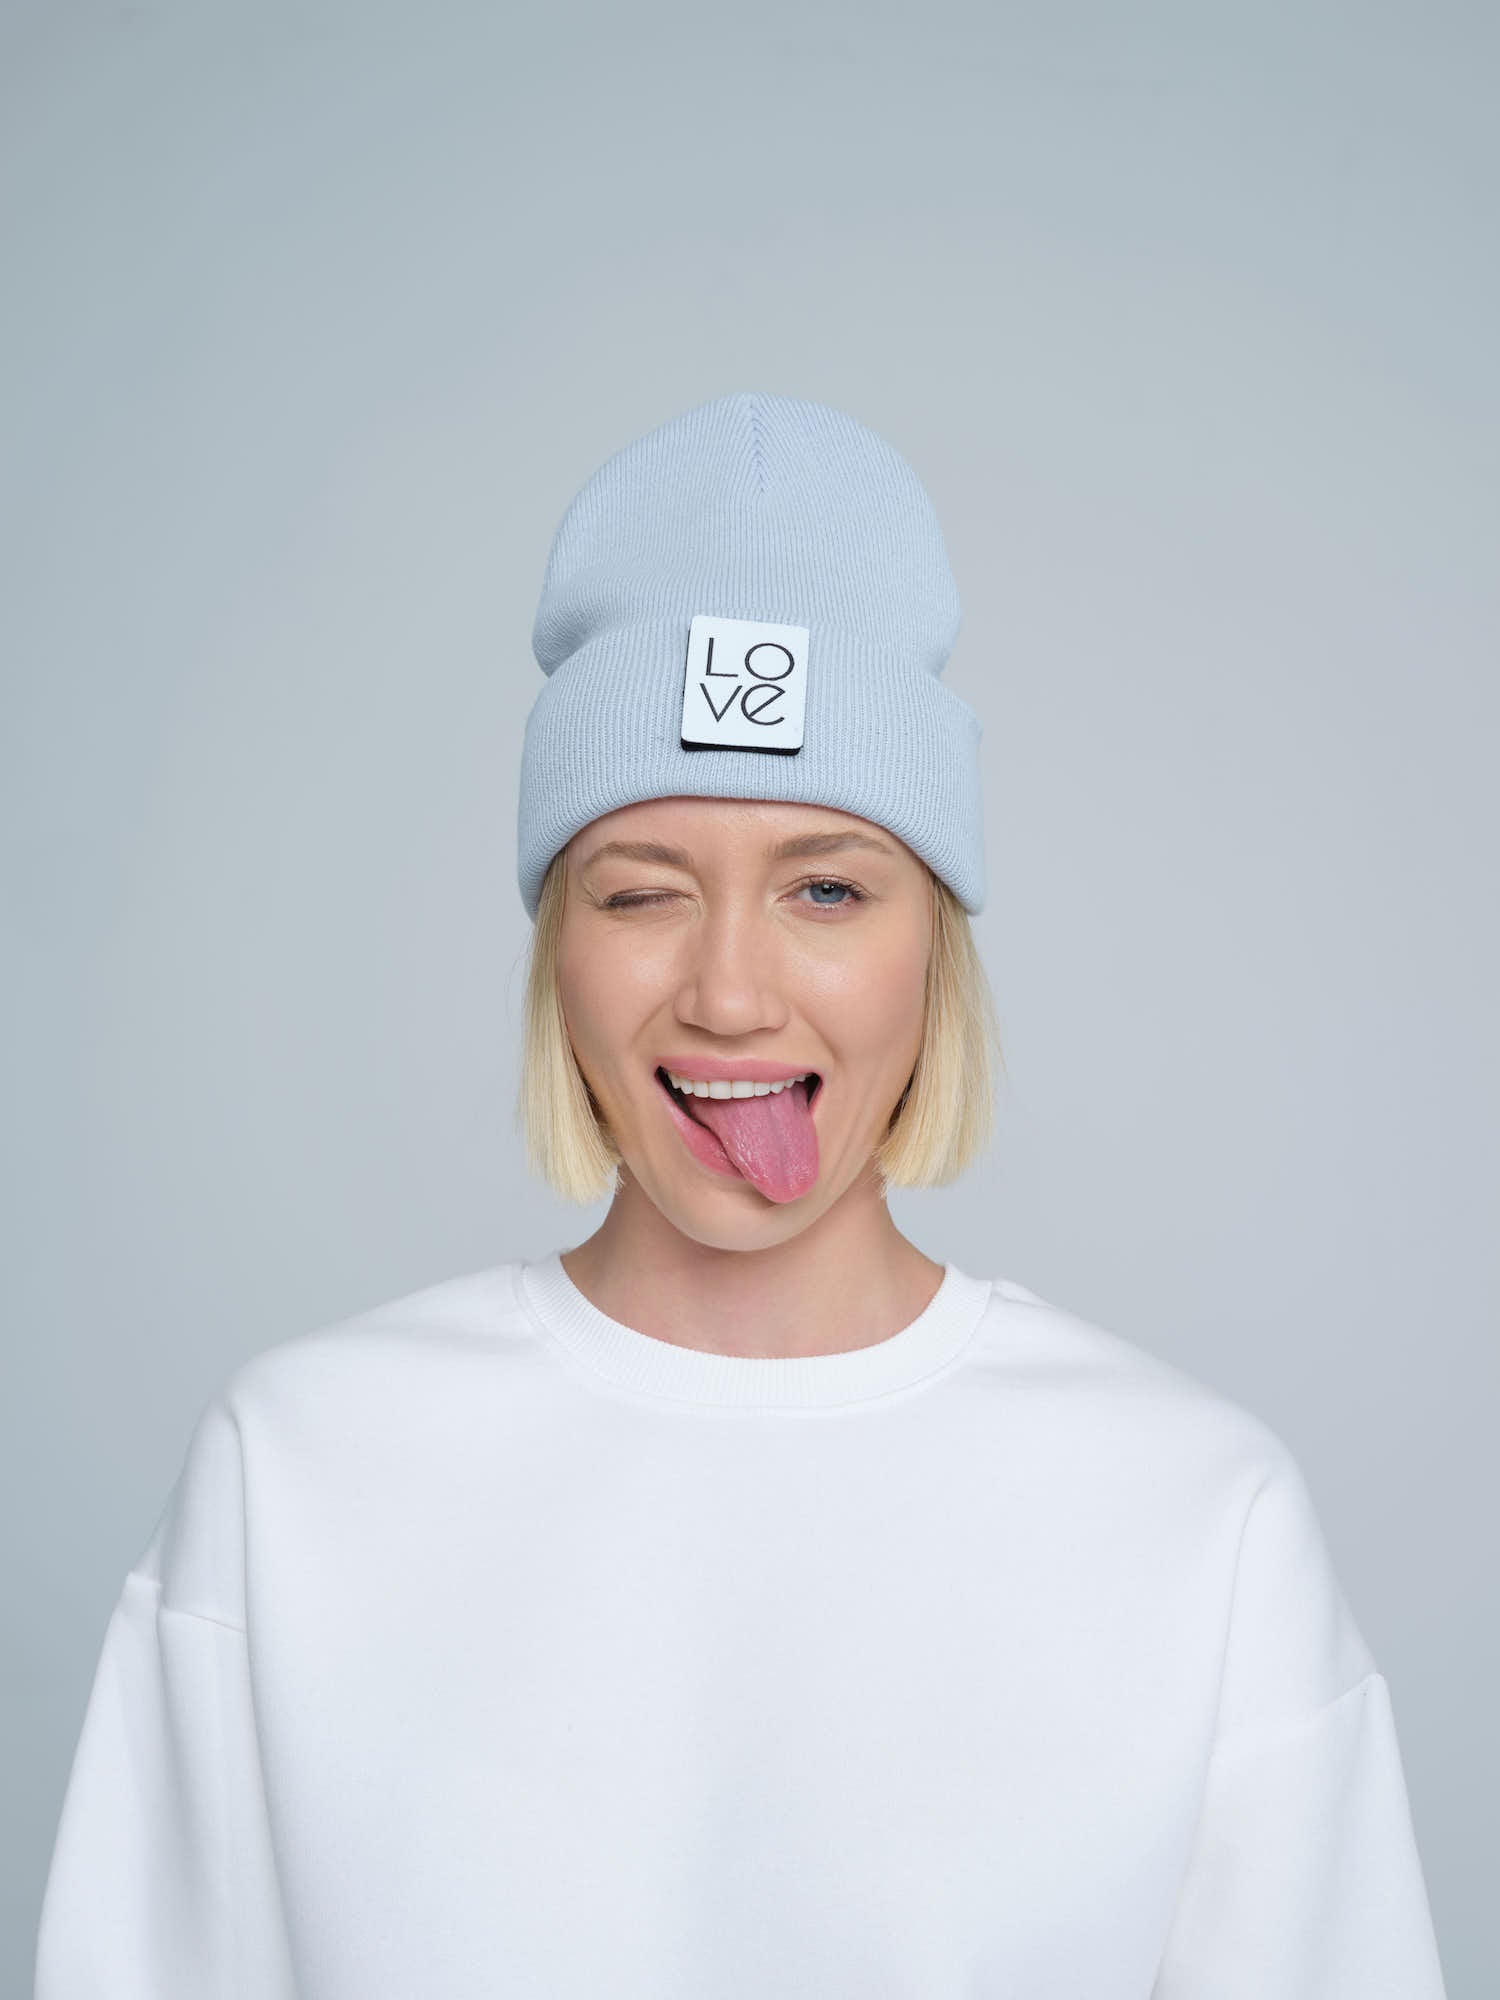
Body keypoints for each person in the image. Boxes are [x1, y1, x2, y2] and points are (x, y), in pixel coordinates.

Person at [34, 392, 1447, 1997]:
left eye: (827, 889)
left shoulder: (1198, 1521)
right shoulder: (295, 1478)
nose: (726, 995)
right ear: (557, 952)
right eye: (640, 893)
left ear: (935, 947)